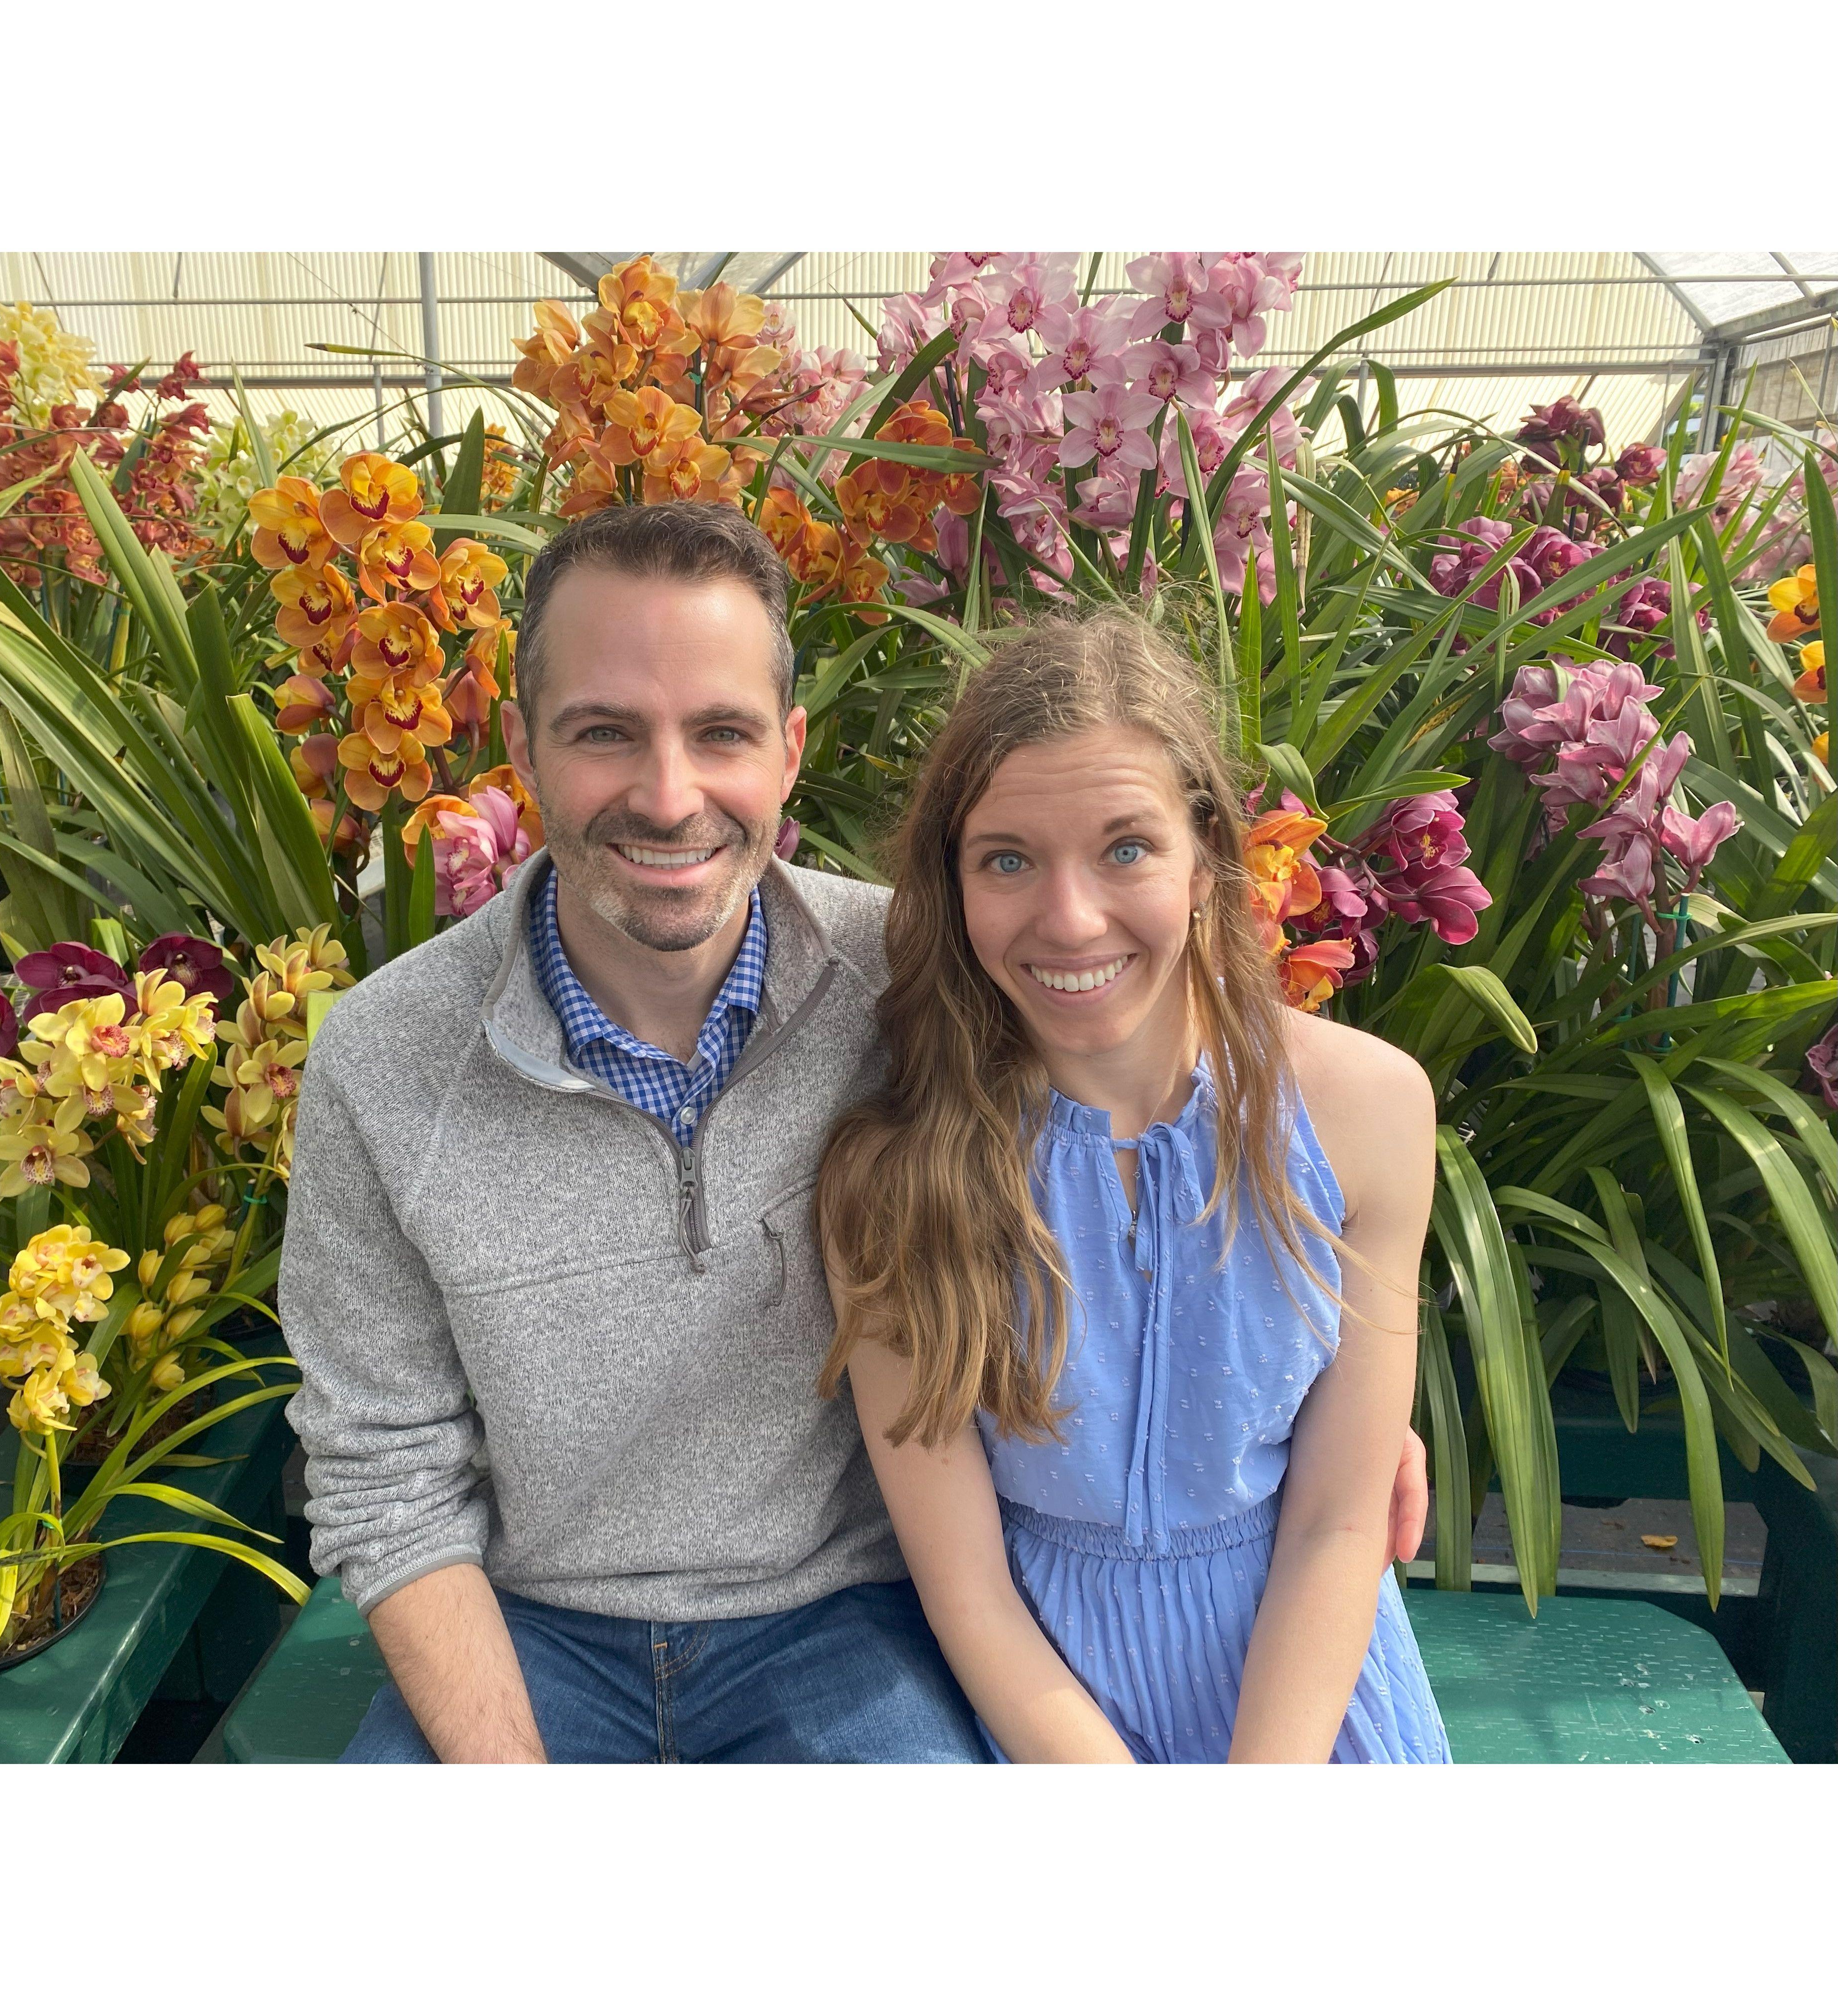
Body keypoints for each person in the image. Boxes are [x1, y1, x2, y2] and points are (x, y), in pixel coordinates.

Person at [281, 502, 1433, 1763]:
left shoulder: (938, 974)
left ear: (789, 749)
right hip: (534, 1627)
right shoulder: (386, 1064)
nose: (669, 797)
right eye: (605, 733)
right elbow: (383, 1478)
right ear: (520, 748)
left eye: (719, 733)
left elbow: (1169, 1129)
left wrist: (1324, 1412)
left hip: (837, 1622)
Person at [815, 609, 1452, 1763]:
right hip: (1043, 1700)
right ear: (951, 883)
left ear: (1208, 856)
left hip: (1303, 1690)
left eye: (1126, 849)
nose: (1070, 919)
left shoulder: (1365, 1113)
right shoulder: (894, 1178)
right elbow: (969, 1595)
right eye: (1006, 859)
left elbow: (1338, 1521)